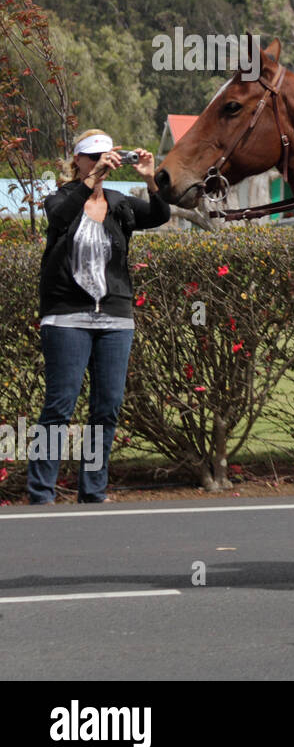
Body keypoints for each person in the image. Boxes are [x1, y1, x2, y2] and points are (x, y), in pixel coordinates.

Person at [30, 130, 169, 503]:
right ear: (78, 160)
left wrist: (149, 178)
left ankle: (93, 491)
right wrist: (90, 181)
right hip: (66, 317)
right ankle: (40, 493)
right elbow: (60, 216)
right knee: (59, 406)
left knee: (106, 408)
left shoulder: (121, 203)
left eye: (106, 156)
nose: (100, 162)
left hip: (115, 317)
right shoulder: (61, 198)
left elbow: (159, 215)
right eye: (92, 157)